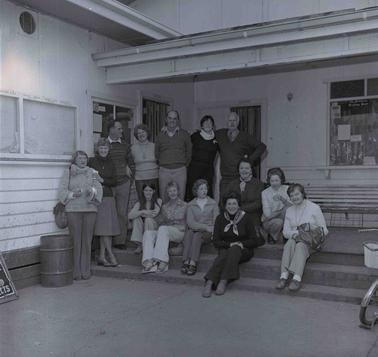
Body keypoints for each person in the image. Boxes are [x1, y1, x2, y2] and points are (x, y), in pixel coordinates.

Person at [202, 191, 262, 298]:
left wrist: (240, 243)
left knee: (234, 249)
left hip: (243, 249)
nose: (231, 206)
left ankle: (223, 281)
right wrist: (229, 244)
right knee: (224, 254)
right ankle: (210, 282)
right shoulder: (220, 218)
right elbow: (216, 241)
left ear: (238, 205)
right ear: (225, 205)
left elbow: (254, 240)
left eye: (234, 203)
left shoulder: (246, 218)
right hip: (225, 247)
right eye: (229, 204)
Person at [58, 150, 103, 280]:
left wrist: (92, 192)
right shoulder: (68, 172)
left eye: (84, 158)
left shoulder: (92, 172)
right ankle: (75, 272)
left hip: (90, 209)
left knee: (87, 241)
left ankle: (86, 270)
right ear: (75, 160)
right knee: (76, 241)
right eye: (80, 158)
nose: (83, 160)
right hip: (73, 210)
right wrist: (72, 194)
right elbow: (62, 191)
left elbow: (99, 187)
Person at [276, 183, 328, 292]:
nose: (294, 197)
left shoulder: (314, 207)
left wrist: (311, 228)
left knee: (300, 245)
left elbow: (325, 230)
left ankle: (296, 278)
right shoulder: (289, 210)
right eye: (292, 195)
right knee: (289, 243)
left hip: (311, 242)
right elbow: (285, 232)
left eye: (297, 194)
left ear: (303, 194)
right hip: (295, 239)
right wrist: (297, 233)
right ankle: (283, 276)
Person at [216, 112, 266, 200]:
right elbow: (208, 135)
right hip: (225, 178)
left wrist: (249, 161)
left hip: (240, 178)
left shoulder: (245, 136)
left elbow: (262, 147)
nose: (232, 123)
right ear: (226, 122)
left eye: (234, 120)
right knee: (223, 203)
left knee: (240, 202)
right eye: (230, 120)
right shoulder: (220, 134)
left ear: (238, 122)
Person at [142, 181, 187, 273]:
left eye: (174, 190)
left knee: (163, 229)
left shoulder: (185, 205)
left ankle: (162, 261)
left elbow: (189, 221)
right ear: (167, 193)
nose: (172, 193)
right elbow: (161, 221)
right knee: (148, 233)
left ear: (178, 191)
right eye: (170, 191)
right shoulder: (165, 207)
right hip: (167, 231)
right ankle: (148, 261)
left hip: (180, 231)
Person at [88, 138, 120, 267]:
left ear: (108, 149)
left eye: (105, 148)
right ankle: (110, 255)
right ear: (97, 149)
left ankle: (102, 256)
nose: (103, 150)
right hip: (96, 198)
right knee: (104, 228)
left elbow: (114, 181)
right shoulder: (91, 161)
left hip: (108, 197)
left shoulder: (111, 163)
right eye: (101, 148)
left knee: (106, 229)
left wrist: (102, 180)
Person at [181, 179, 219, 276]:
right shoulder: (190, 205)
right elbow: (190, 222)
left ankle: (193, 262)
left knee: (196, 234)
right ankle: (186, 261)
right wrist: (205, 227)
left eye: (205, 188)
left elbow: (217, 220)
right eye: (201, 189)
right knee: (189, 233)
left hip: (209, 233)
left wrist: (209, 229)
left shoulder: (213, 203)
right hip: (200, 229)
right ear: (196, 191)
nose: (204, 191)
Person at [107, 120, 133, 250]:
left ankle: (120, 241)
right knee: (108, 213)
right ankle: (107, 241)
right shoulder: (103, 145)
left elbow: (131, 163)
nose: (121, 131)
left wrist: (129, 178)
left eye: (121, 129)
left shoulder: (125, 146)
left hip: (123, 183)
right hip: (108, 185)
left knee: (122, 213)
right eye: (119, 128)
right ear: (111, 129)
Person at [155, 110, 192, 202]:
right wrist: (163, 163)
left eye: (175, 118)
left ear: (178, 120)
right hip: (164, 171)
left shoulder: (185, 134)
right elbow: (156, 153)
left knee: (180, 197)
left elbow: (189, 152)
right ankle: (166, 216)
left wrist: (183, 165)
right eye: (170, 118)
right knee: (164, 197)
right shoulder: (160, 135)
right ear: (166, 119)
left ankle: (179, 216)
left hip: (180, 170)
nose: (172, 120)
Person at [225, 158, 265, 232]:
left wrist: (240, 209)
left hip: (252, 215)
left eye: (247, 168)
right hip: (234, 214)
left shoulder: (258, 184)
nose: (244, 170)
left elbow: (258, 203)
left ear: (251, 170)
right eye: (241, 168)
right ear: (238, 170)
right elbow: (224, 200)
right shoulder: (232, 184)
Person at [186, 115, 219, 200]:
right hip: (194, 170)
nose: (208, 124)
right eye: (205, 122)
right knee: (193, 192)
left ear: (213, 125)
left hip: (208, 170)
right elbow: (182, 140)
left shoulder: (217, 138)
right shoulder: (195, 136)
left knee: (207, 192)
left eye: (210, 123)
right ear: (201, 125)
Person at [128, 183, 162, 257]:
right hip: (144, 227)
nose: (148, 192)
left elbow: (154, 214)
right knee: (136, 219)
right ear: (143, 192)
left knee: (148, 220)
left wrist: (140, 213)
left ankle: (148, 244)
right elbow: (130, 216)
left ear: (154, 191)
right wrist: (142, 212)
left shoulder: (158, 200)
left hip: (155, 226)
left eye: (150, 190)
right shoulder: (140, 203)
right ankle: (140, 244)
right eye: (146, 190)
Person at [261, 167, 292, 244]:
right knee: (279, 222)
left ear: (281, 180)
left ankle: (286, 234)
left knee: (287, 210)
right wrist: (282, 212)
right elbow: (267, 214)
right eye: (272, 181)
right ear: (269, 181)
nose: (274, 183)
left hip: (282, 217)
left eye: (277, 180)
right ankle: (272, 235)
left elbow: (293, 207)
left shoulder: (287, 189)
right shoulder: (265, 193)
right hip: (271, 220)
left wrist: (282, 199)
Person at [130, 124, 159, 202]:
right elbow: (129, 162)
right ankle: (143, 214)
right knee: (142, 201)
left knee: (154, 201)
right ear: (136, 135)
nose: (141, 134)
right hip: (140, 179)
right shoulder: (132, 148)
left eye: (143, 132)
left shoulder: (154, 146)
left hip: (153, 177)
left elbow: (160, 161)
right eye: (139, 133)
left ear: (147, 133)